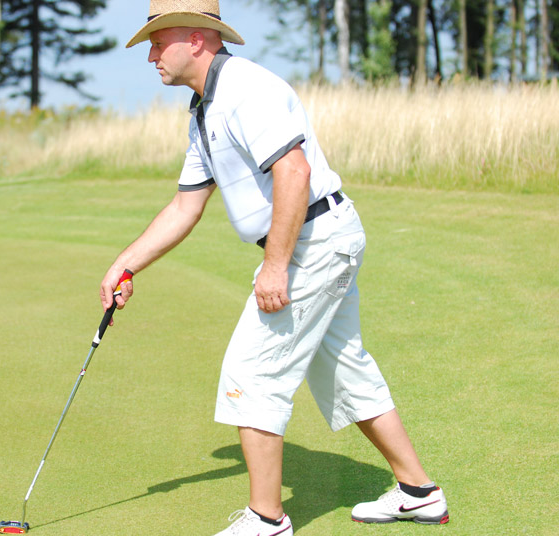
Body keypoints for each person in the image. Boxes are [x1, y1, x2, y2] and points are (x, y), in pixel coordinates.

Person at [99, 1, 450, 534]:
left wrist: (276, 266)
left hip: (311, 240)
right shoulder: (204, 107)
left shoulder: (245, 89)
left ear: (196, 39)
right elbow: (185, 206)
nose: (149, 56)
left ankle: (267, 520)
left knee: (252, 373)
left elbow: (294, 171)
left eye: (155, 41)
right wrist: (124, 265)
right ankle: (418, 492)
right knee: (343, 369)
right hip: (318, 236)